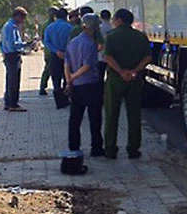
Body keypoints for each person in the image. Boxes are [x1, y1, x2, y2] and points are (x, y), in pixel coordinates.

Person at [102, 8, 152, 159]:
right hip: (135, 79)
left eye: (114, 19)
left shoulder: (111, 37)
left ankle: (110, 149)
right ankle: (133, 148)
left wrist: (121, 71)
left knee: (111, 114)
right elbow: (148, 57)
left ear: (119, 20)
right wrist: (134, 71)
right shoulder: (141, 36)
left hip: (116, 79)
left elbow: (107, 57)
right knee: (134, 114)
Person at [65, 13, 105, 157]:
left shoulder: (73, 42)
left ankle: (74, 146)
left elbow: (67, 64)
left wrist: (69, 80)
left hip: (76, 86)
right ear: (95, 28)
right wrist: (74, 76)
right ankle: (96, 147)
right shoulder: (90, 44)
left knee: (75, 118)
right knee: (95, 117)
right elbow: (87, 66)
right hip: (91, 85)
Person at [0, 7, 29, 112]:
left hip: (8, 55)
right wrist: (26, 44)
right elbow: (14, 44)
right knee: (14, 80)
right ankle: (13, 104)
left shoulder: (7, 26)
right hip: (13, 55)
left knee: (9, 79)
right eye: (23, 18)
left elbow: (1, 43)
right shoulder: (12, 27)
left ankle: (8, 102)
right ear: (18, 16)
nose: (23, 21)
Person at [43, 7, 73, 109]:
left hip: (54, 55)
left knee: (56, 79)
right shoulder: (69, 28)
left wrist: (56, 51)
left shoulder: (50, 27)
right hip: (67, 55)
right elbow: (72, 42)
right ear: (66, 16)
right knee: (66, 77)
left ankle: (58, 102)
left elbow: (46, 42)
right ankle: (65, 99)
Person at [39, 7, 58, 96]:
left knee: (47, 69)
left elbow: (42, 37)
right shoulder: (54, 24)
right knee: (51, 70)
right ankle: (45, 87)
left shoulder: (45, 24)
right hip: (54, 50)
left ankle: (43, 87)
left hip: (48, 50)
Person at [98, 9, 113, 81]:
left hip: (100, 56)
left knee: (100, 77)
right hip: (112, 57)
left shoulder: (99, 28)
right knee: (110, 77)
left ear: (100, 17)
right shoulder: (113, 27)